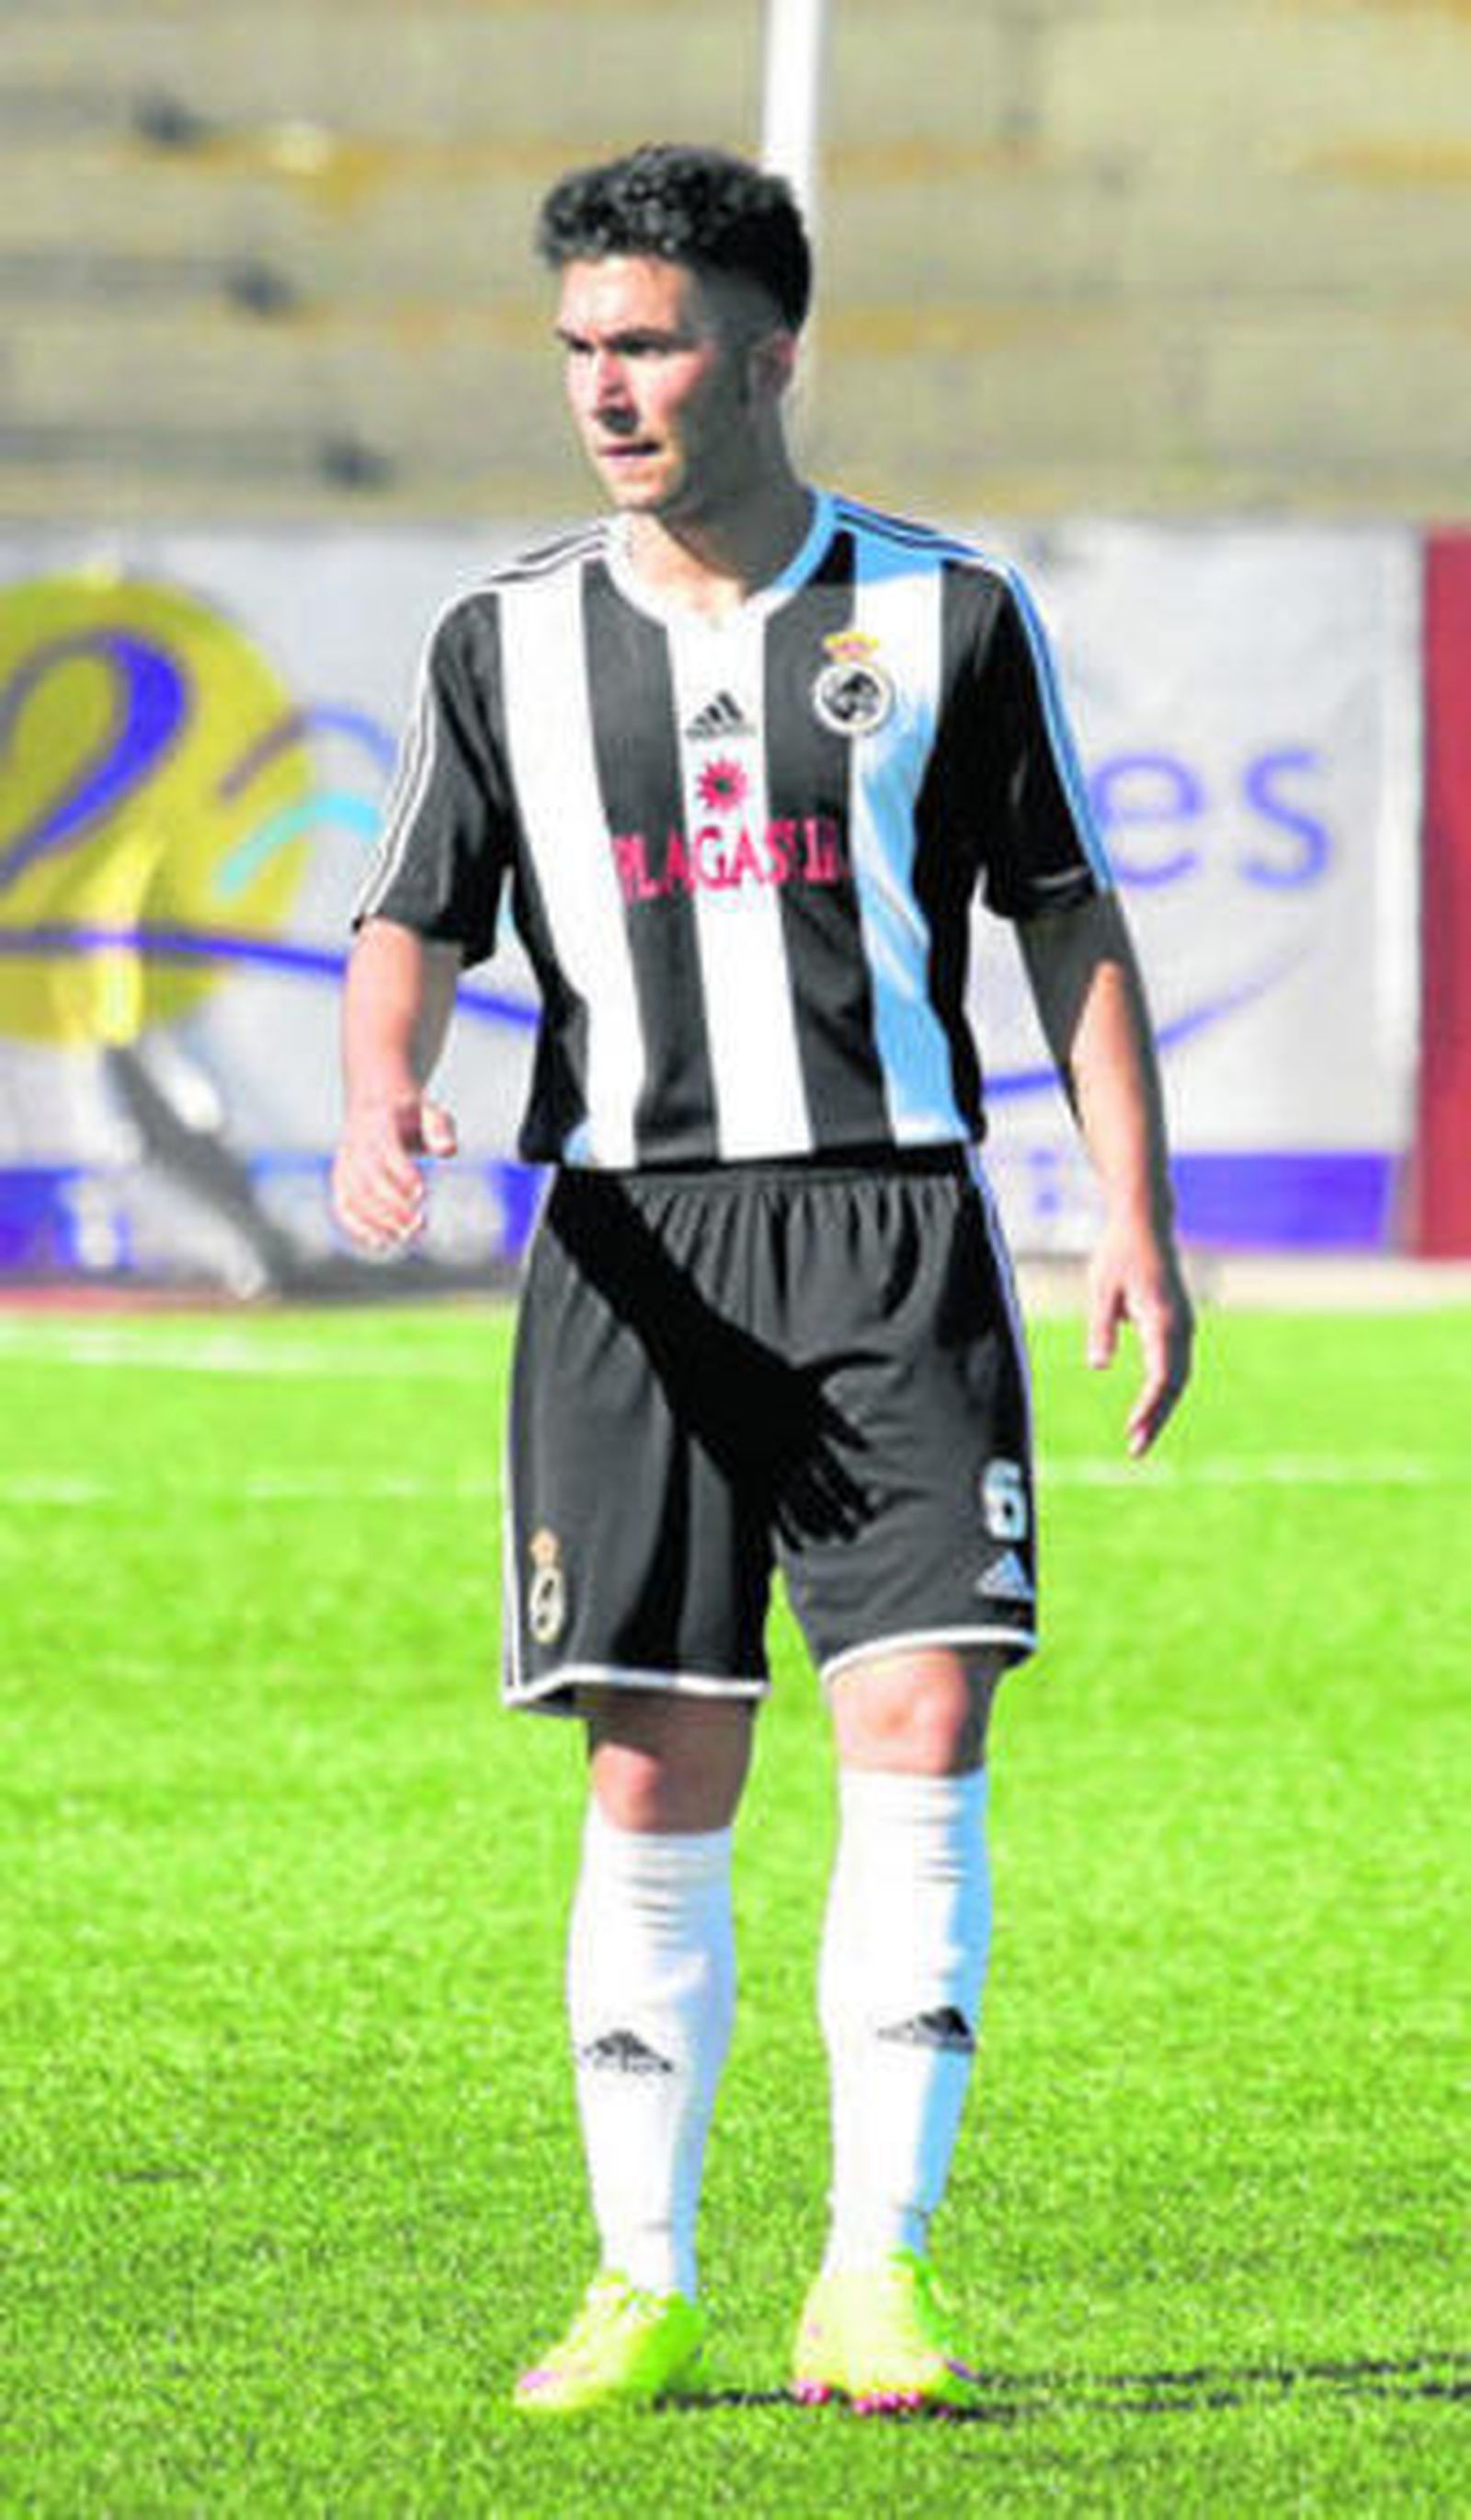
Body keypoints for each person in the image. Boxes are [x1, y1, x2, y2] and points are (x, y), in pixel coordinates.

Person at [333, 142, 1193, 2419]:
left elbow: (1065, 915)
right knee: (654, 1767)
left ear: (769, 355)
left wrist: (1133, 1212)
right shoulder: (501, 637)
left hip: (891, 1234)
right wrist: (379, 1091)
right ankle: (641, 2279)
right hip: (633, 1255)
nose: (604, 389)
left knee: (921, 1728)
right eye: (578, 349)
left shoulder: (945, 612)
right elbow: (409, 911)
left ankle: (870, 2276)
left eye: (649, 345)